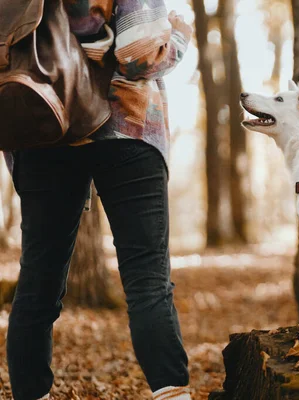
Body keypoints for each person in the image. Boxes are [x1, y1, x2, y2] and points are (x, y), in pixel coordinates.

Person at [4, 1, 194, 399]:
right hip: (126, 122)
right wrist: (179, 35)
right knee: (147, 279)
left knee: (38, 281)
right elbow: (137, 55)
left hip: (42, 127)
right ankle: (172, 394)